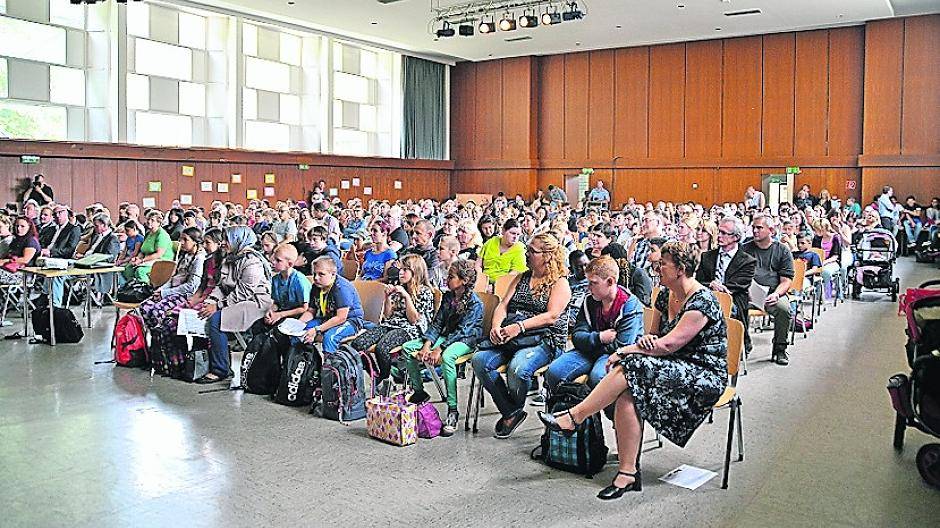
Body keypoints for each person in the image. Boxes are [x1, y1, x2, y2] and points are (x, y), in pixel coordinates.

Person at [538, 241, 727, 500]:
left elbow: (670, 344)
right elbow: (653, 338)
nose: (656, 267)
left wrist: (626, 350)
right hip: (671, 363)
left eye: (663, 264)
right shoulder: (664, 295)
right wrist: (639, 347)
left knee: (629, 364)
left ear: (681, 269)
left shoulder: (702, 300)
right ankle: (627, 473)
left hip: (702, 372)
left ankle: (574, 417)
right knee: (630, 390)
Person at [472, 233, 571, 439]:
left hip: (544, 339)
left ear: (547, 256)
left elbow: (551, 316)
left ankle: (512, 409)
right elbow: (503, 304)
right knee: (479, 360)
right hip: (512, 336)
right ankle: (512, 412)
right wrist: (496, 326)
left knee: (518, 369)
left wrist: (519, 327)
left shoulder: (559, 283)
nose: (526, 254)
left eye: (532, 251)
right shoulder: (522, 277)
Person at [401, 259, 483, 436]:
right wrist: (427, 344)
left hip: (466, 340)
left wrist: (440, 349)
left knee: (447, 357)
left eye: (451, 276)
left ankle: (453, 410)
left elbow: (464, 331)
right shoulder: (448, 297)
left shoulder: (475, 304)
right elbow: (437, 323)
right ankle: (419, 392)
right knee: (408, 348)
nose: (446, 279)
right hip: (447, 336)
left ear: (464, 281)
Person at [544, 256, 644, 396]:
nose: (588, 287)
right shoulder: (590, 300)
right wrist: (600, 337)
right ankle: (562, 410)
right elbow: (577, 336)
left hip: (615, 355)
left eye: (593, 283)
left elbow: (622, 345)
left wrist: (589, 342)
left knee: (598, 377)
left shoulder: (630, 305)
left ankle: (591, 415)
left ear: (610, 282)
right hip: (592, 349)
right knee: (554, 371)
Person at [197, 227, 273, 384]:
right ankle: (205, 363)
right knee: (203, 312)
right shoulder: (231, 258)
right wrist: (210, 301)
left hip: (255, 302)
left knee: (216, 320)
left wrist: (217, 306)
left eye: (227, 239)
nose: (223, 243)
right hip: (236, 299)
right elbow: (221, 286)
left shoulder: (252, 261)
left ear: (239, 240)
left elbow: (244, 292)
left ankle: (221, 369)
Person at [353, 254, 435, 389]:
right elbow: (388, 315)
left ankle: (384, 380)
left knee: (382, 348)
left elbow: (414, 320)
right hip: (391, 324)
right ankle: (379, 376)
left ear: (415, 272)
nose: (401, 272)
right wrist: (387, 298)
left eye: (405, 270)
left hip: (410, 329)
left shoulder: (425, 292)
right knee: (357, 344)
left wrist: (407, 296)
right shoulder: (400, 287)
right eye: (401, 269)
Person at [139, 227, 207, 364]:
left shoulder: (199, 259)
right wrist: (160, 291)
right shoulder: (184, 255)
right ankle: (158, 350)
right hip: (172, 292)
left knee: (158, 311)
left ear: (195, 242)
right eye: (181, 239)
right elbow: (173, 278)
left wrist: (165, 293)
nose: (181, 242)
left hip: (185, 295)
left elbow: (191, 287)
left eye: (185, 240)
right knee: (145, 307)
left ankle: (174, 356)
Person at [696, 216, 756, 351]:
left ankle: (728, 346)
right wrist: (711, 284)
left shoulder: (747, 261)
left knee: (723, 308)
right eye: (719, 231)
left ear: (736, 237)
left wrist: (720, 290)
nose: (719, 236)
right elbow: (698, 281)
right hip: (708, 295)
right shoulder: (707, 257)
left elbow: (738, 286)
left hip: (733, 299)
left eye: (724, 233)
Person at [743, 214, 794, 365]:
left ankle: (779, 349)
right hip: (749, 294)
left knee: (784, 309)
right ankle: (743, 344)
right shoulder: (745, 249)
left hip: (772, 294)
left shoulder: (782, 251)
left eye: (759, 227)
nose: (755, 231)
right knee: (734, 307)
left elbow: (786, 281)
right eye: (753, 227)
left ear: (771, 230)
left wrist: (777, 294)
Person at [297, 256, 364, 354]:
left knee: (330, 337)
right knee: (302, 330)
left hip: (350, 321)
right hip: (328, 317)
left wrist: (317, 329)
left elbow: (341, 318)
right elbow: (311, 311)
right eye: (314, 274)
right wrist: (297, 324)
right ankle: (305, 363)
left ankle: (330, 367)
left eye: (321, 274)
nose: (315, 278)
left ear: (333, 274)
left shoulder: (341, 288)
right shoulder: (316, 286)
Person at [122, 211, 175, 283]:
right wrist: (137, 258)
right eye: (148, 219)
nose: (149, 222)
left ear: (158, 223)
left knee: (140, 271)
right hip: (148, 260)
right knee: (128, 268)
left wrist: (142, 260)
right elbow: (143, 250)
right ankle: (131, 289)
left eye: (152, 220)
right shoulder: (148, 233)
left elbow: (158, 254)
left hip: (161, 262)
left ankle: (145, 291)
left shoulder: (162, 235)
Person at [478, 218, 527, 284]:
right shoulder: (491, 242)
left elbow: (515, 272)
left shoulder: (519, 248)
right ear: (503, 231)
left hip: (505, 285)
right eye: (512, 233)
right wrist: (482, 281)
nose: (515, 237)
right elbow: (478, 264)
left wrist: (496, 286)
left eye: (518, 234)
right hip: (484, 281)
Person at [0, 216, 40, 285]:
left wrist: (5, 261)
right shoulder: (16, 240)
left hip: (22, 275)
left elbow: (25, 260)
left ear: (29, 227)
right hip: (9, 269)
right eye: (17, 226)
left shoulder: (31, 241)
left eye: (22, 226)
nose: (19, 229)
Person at [810, 219, 843, 300]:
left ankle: (825, 294)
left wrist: (824, 262)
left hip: (832, 262)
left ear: (823, 228)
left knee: (826, 272)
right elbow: (814, 251)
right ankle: (817, 292)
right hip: (819, 261)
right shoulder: (816, 238)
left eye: (817, 229)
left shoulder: (835, 238)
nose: (815, 231)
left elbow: (835, 256)